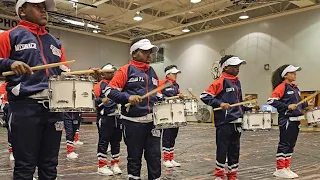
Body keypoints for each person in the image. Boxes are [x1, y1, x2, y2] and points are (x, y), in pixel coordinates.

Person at [0, 0, 70, 179]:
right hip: (25, 107)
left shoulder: (55, 42)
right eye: (37, 6)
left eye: (45, 8)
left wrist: (88, 78)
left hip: (54, 108)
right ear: (22, 11)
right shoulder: (9, 36)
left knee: (50, 165)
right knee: (25, 167)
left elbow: (64, 72)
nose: (43, 11)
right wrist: (10, 63)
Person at [104, 38, 161, 180]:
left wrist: (162, 99)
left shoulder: (152, 72)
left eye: (150, 51)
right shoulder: (126, 70)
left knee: (155, 159)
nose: (149, 54)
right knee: (134, 159)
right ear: (134, 53)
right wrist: (127, 97)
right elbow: (108, 91)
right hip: (133, 123)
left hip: (152, 123)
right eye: (145, 51)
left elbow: (157, 94)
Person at [200, 55, 251, 180]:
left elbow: (237, 102)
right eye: (234, 66)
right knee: (222, 148)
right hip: (224, 122)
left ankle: (232, 175)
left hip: (237, 121)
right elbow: (204, 96)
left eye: (238, 66)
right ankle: (219, 175)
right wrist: (219, 103)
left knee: (235, 149)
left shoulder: (237, 82)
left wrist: (246, 106)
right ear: (226, 67)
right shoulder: (220, 81)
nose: (237, 68)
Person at [267, 64, 311, 179]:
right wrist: (287, 107)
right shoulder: (282, 87)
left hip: (296, 120)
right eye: (292, 73)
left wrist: (306, 104)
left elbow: (298, 104)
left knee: (291, 145)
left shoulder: (295, 88)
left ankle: (286, 167)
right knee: (284, 144)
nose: (295, 74)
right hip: (286, 119)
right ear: (285, 75)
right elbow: (271, 101)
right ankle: (280, 168)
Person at [94, 64, 122, 176]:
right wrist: (104, 101)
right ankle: (101, 165)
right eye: (109, 72)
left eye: (112, 72)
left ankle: (115, 163)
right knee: (104, 141)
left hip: (117, 116)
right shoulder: (99, 85)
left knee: (116, 142)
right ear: (103, 73)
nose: (112, 74)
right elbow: (94, 102)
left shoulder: (117, 84)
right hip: (105, 117)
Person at [159, 65, 184, 168]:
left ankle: (171, 158)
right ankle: (165, 159)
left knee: (173, 135)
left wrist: (180, 95)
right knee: (167, 135)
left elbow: (178, 94)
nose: (176, 75)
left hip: (175, 112)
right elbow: (157, 95)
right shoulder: (162, 83)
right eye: (174, 74)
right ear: (168, 74)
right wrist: (165, 98)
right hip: (166, 113)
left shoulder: (176, 85)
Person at [0, 81, 14, 161]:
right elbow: (3, 99)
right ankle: (11, 150)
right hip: (9, 105)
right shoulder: (4, 85)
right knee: (11, 126)